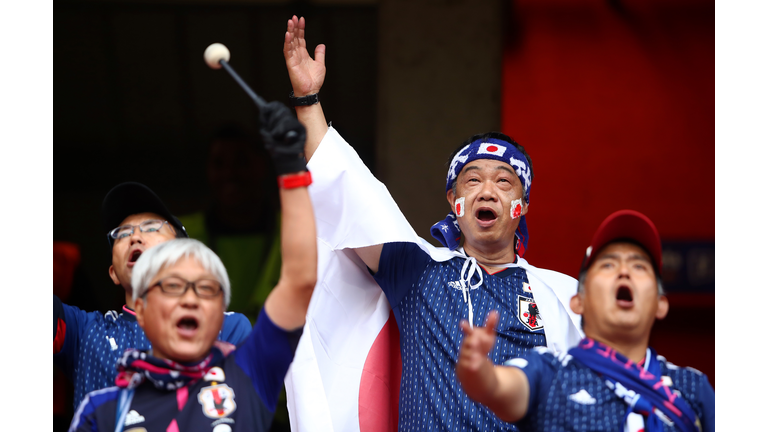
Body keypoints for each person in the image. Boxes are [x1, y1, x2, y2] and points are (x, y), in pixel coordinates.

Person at [281, 16, 583, 432]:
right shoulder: (419, 269)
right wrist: (308, 99)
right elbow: (348, 188)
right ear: (453, 201)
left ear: (523, 204)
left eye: (504, 181)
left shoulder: (561, 295)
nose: (487, 191)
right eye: (472, 180)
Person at [69, 100, 317, 432]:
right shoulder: (102, 410)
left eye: (205, 290)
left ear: (223, 313)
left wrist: (290, 165)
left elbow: (300, 281)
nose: (188, 299)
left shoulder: (248, 375)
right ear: (140, 309)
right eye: (171, 287)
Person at [455, 210, 715, 432]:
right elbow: (501, 387)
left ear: (661, 304)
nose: (624, 272)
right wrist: (479, 371)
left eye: (639, 266)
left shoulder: (693, 387)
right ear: (577, 300)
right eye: (608, 265)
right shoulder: (550, 372)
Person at [53, 182, 253, 412]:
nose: (135, 237)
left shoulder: (226, 327)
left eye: (151, 227)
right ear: (113, 273)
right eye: (122, 233)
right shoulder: (82, 332)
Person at [179, 124, 282, 323]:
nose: (229, 173)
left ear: (262, 166)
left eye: (241, 162)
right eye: (219, 164)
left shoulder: (294, 228)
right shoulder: (180, 233)